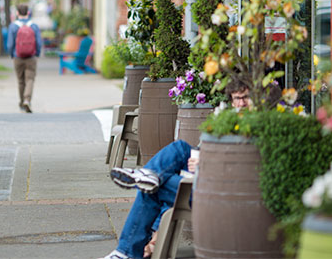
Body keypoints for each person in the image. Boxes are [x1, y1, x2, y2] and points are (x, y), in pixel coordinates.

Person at [100, 80, 252, 259]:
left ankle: (129, 251)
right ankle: (150, 176)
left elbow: (242, 166)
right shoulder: (229, 122)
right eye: (237, 99)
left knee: (153, 187)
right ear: (232, 101)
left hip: (218, 191)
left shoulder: (258, 128)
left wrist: (205, 163)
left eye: (246, 98)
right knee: (179, 149)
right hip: (203, 180)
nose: (241, 103)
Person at [7, 3, 42, 113]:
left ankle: (22, 102)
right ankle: (27, 99)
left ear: (17, 13)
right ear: (28, 13)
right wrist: (37, 53)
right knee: (30, 79)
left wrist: (12, 54)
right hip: (31, 57)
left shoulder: (13, 26)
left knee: (21, 81)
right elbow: (39, 42)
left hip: (18, 57)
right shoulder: (34, 26)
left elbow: (10, 44)